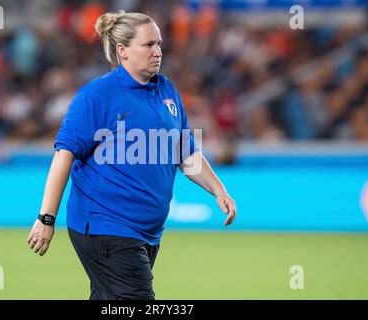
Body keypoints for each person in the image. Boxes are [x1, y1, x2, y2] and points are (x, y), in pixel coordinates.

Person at [27, 11, 237, 300]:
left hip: (146, 232)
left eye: (159, 44)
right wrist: (46, 219)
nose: (158, 51)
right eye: (148, 45)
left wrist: (218, 189)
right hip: (106, 226)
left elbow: (184, 150)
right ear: (122, 51)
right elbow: (64, 154)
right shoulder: (97, 95)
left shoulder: (166, 90)